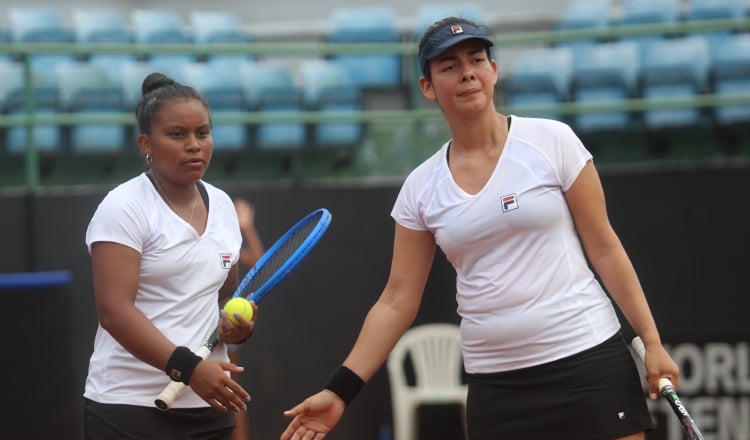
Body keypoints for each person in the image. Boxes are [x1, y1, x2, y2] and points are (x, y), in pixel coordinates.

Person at [280, 17, 680, 440]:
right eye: (449, 65)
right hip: (498, 387)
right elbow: (397, 301)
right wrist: (339, 391)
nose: (467, 71)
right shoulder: (420, 187)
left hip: (588, 363)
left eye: (476, 59)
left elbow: (605, 249)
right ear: (428, 87)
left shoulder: (552, 141)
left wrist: (651, 342)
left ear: (493, 70)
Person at [83, 72, 257, 439]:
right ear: (146, 143)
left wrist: (235, 328)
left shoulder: (223, 205)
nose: (194, 145)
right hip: (128, 407)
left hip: (210, 405)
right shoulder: (123, 206)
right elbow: (114, 311)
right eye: (177, 135)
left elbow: (225, 297)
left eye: (203, 133)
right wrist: (190, 368)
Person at [230, 198, 266, 440]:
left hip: (226, 331)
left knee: (231, 395)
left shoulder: (229, 250)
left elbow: (259, 261)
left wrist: (247, 227)